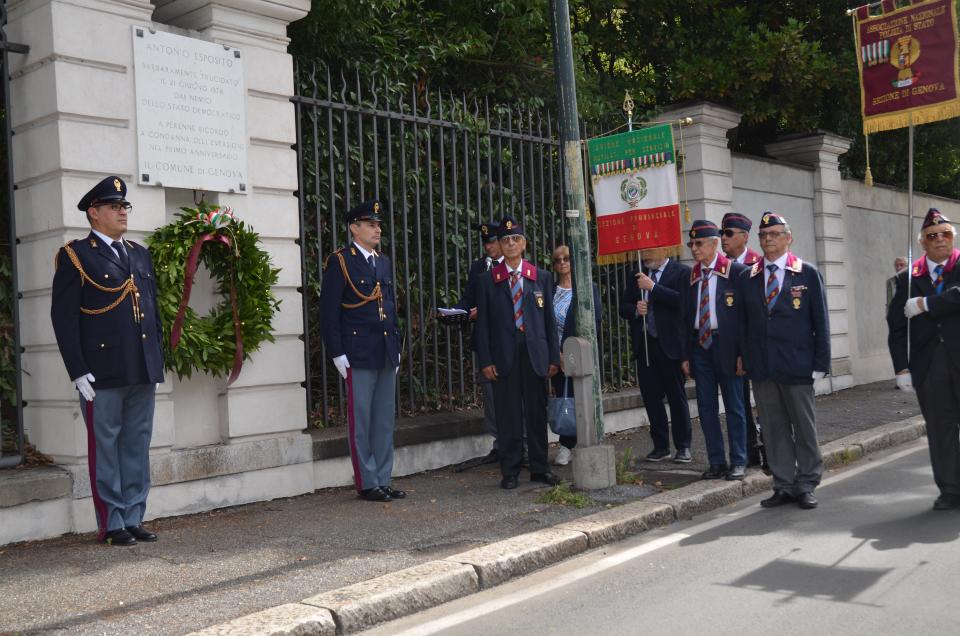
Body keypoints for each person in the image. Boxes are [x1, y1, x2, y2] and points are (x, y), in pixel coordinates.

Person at [50, 176, 164, 546]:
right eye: (114, 207)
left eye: (124, 206)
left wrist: (155, 358)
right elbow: (64, 318)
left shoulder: (138, 253)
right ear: (93, 213)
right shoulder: (76, 255)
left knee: (136, 445)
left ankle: (134, 515)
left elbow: (151, 312)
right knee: (107, 448)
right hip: (101, 371)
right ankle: (112, 523)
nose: (122, 212)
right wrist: (78, 369)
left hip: (140, 367)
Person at [736, 212, 829, 510]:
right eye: (764, 235)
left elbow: (821, 322)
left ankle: (807, 483)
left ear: (789, 238)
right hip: (763, 366)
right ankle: (784, 484)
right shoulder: (747, 276)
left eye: (775, 234)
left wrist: (820, 364)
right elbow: (743, 324)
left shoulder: (807, 273)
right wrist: (743, 358)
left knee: (804, 427)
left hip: (798, 364)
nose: (768, 240)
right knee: (774, 429)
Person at [319, 199, 405, 502]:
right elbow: (329, 313)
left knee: (384, 420)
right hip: (357, 352)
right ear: (354, 228)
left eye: (378, 224)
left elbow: (391, 308)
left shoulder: (382, 262)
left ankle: (384, 477)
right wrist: (337, 353)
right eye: (370, 224)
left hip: (383, 350)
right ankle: (368, 482)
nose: (376, 229)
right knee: (362, 420)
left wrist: (395, 349)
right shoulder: (341, 261)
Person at [475, 216, 561, 489]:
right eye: (505, 240)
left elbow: (548, 320)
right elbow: (484, 324)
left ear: (524, 244)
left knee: (536, 413)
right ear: (499, 245)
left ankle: (539, 467)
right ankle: (510, 470)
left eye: (515, 239)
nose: (510, 244)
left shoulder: (541, 277)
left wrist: (553, 357)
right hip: (504, 355)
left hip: (534, 352)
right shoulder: (489, 280)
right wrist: (486, 360)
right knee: (508, 414)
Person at [887, 208, 960, 510]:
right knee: (940, 428)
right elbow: (896, 326)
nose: (939, 239)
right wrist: (901, 367)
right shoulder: (907, 278)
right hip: (929, 364)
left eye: (945, 234)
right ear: (923, 243)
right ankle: (951, 489)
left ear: (953, 238)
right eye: (932, 236)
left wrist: (926, 303)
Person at [681, 220, 749, 480]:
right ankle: (716, 461)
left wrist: (744, 353)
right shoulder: (692, 276)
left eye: (699, 244)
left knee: (734, 405)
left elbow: (746, 318)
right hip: (701, 345)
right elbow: (685, 317)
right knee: (706, 408)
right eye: (691, 244)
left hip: (727, 346)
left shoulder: (736, 272)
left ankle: (739, 460)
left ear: (714, 243)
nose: (694, 249)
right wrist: (686, 355)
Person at [619, 247, 693, 463]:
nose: (647, 255)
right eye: (644, 251)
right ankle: (660, 446)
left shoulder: (680, 272)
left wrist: (654, 288)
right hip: (645, 345)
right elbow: (622, 306)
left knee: (676, 397)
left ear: (665, 249)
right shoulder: (637, 274)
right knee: (651, 398)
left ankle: (684, 446)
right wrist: (635, 309)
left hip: (669, 345)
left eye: (652, 250)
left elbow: (683, 302)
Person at [451, 222, 503, 463]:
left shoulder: (513, 267)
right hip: (485, 340)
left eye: (492, 242)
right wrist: (455, 311)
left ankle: (520, 442)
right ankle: (499, 441)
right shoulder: (479, 267)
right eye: (486, 243)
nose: (489, 247)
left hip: (507, 339)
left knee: (514, 392)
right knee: (491, 394)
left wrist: (482, 310)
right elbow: (469, 297)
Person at [548, 245, 602, 466]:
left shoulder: (588, 288)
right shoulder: (549, 290)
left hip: (579, 353)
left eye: (567, 258)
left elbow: (595, 322)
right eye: (558, 260)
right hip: (556, 355)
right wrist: (556, 355)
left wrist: (572, 353)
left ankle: (582, 443)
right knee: (565, 399)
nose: (562, 263)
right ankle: (566, 445)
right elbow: (543, 325)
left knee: (583, 399)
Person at [721, 211, 765, 467]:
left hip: (755, 344)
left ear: (744, 237)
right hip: (731, 344)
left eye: (728, 234)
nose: (724, 239)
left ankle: (771, 449)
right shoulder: (722, 267)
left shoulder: (757, 264)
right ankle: (749, 451)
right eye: (722, 234)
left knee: (764, 401)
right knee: (739, 404)